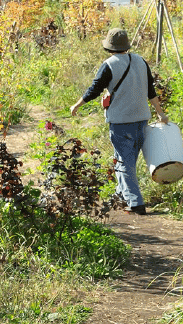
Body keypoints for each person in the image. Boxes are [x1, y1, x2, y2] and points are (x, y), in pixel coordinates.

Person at [70, 28, 168, 215]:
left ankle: (136, 203)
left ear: (109, 47)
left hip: (121, 122)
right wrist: (160, 114)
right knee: (125, 161)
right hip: (141, 120)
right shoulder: (140, 61)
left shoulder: (109, 65)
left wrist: (77, 104)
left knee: (124, 162)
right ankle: (121, 195)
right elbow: (151, 92)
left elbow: (94, 89)